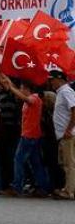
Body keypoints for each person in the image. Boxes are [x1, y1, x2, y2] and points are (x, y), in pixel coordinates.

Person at [0, 76, 51, 197]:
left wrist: (11, 87)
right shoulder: (29, 98)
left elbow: (25, 98)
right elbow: (17, 91)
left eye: (21, 88)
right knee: (35, 162)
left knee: (18, 160)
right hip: (30, 135)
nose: (20, 90)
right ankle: (43, 188)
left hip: (29, 135)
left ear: (27, 89)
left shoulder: (35, 97)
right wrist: (6, 79)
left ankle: (17, 187)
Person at [49, 70, 75, 199]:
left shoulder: (66, 91)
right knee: (66, 163)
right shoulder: (61, 92)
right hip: (63, 135)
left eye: (52, 79)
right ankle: (69, 188)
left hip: (68, 135)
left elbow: (74, 109)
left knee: (69, 163)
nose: (51, 82)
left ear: (60, 79)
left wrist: (69, 129)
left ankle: (69, 191)